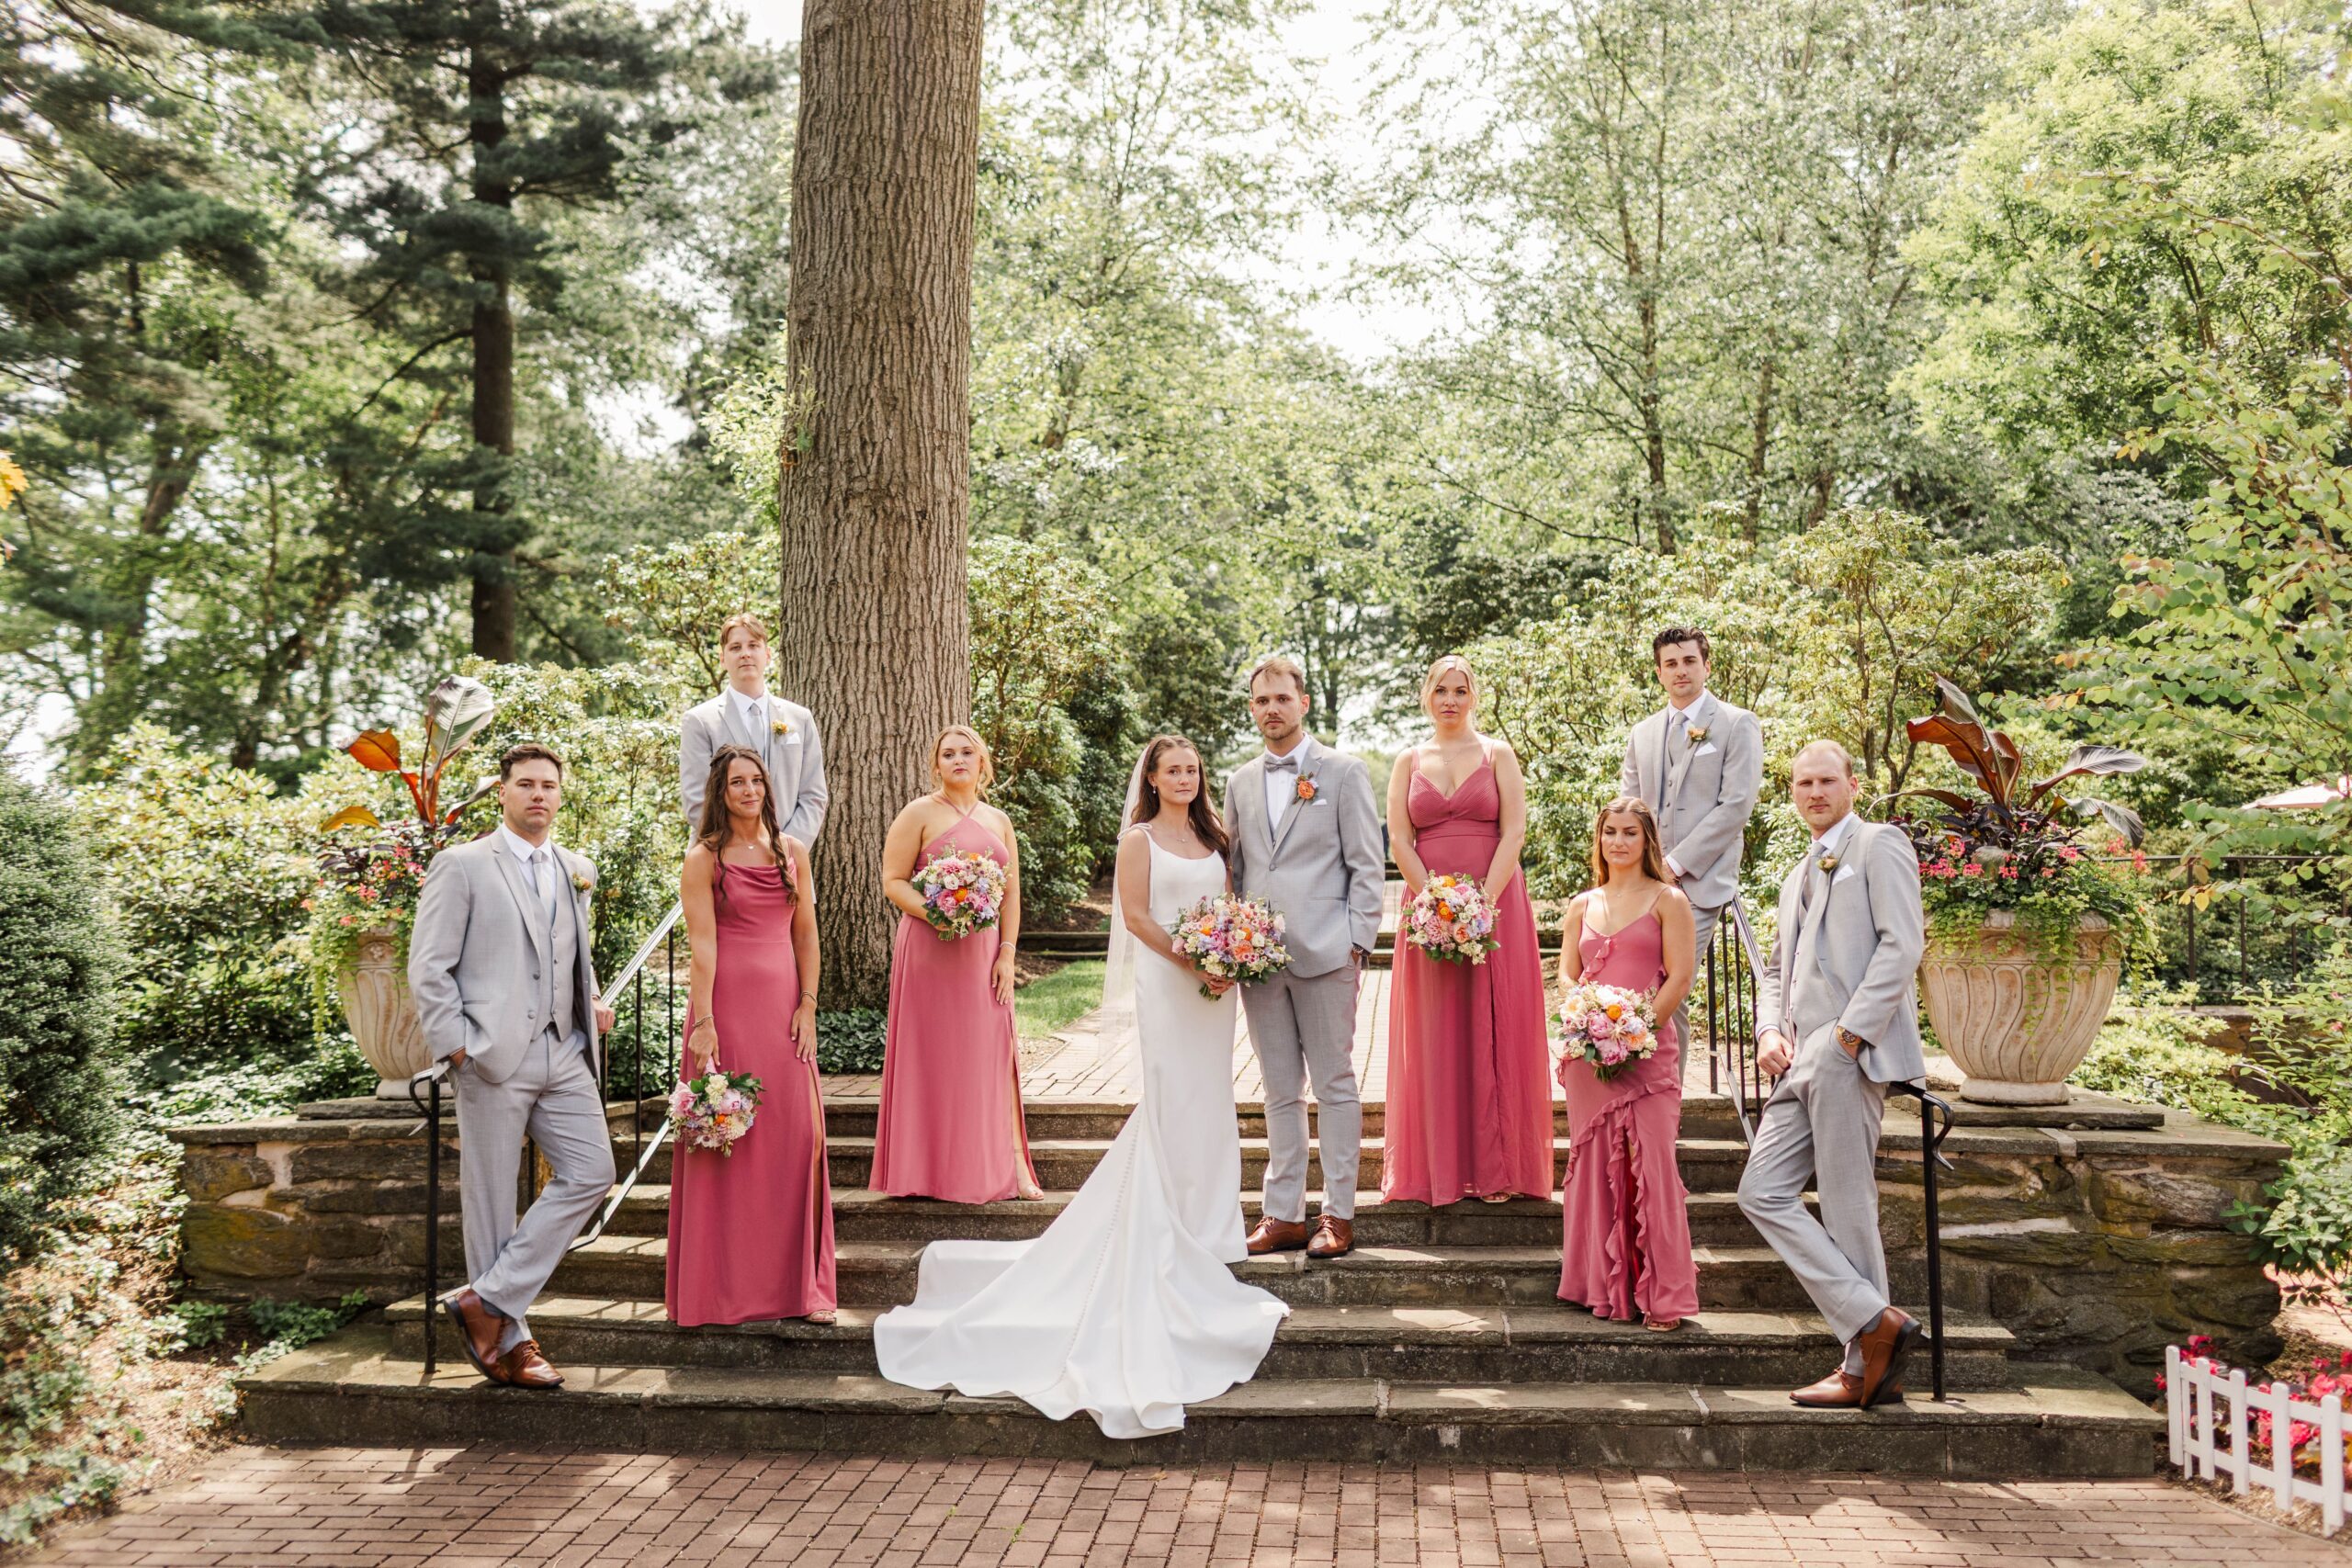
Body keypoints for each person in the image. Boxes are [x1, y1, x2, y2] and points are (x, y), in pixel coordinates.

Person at [874, 736, 1289, 1438]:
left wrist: (1229, 953)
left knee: (1211, 1101)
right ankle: (1165, 1223)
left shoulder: (1214, 835)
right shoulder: (1137, 839)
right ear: (1152, 778)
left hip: (1210, 990)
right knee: (1170, 1096)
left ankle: (1211, 1224)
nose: (1184, 777)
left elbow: (1224, 907)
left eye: (1192, 769)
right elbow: (1134, 917)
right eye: (1173, 769)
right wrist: (1193, 956)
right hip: (1168, 982)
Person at [408, 743, 616, 1390]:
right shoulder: (463, 864)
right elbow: (429, 965)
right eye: (525, 783)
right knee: (494, 1203)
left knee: (593, 1170)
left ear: (560, 794)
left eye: (549, 785)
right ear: (502, 791)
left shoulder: (576, 867)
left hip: (565, 1049)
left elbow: (564, 954)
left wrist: (591, 998)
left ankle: (488, 1297)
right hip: (492, 1054)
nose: (538, 794)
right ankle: (512, 1341)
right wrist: (459, 1045)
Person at [1738, 739, 1928, 1410]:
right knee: (1760, 1191)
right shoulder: (1794, 875)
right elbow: (1773, 972)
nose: (1813, 792)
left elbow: (1903, 944)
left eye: (1825, 780)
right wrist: (1766, 1030)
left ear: (1852, 783)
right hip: (1797, 1059)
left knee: (1849, 1207)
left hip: (1848, 1052)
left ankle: (1864, 1366)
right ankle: (1875, 1322)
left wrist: (1850, 1034)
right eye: (1801, 783)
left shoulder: (1880, 844)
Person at [665, 745, 836, 1326]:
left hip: (785, 1010)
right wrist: (705, 1021)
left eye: (756, 779)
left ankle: (800, 1289)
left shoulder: (794, 853)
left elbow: (807, 935)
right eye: (737, 782)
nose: (749, 790)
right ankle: (721, 1290)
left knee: (797, 1136)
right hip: (728, 1011)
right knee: (729, 1143)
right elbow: (703, 946)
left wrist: (809, 1005)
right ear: (721, 791)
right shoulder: (703, 859)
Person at [1223, 656, 1385, 1260]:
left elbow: (1367, 863)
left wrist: (1357, 940)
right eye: (1261, 699)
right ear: (1252, 708)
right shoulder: (1239, 780)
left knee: (1336, 1084)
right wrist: (1234, 940)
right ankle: (1283, 1212)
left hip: (1326, 951)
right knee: (1279, 1089)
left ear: (1304, 702)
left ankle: (1338, 1213)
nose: (1272, 708)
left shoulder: (1341, 772)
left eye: (1282, 698)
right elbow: (1237, 867)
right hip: (1259, 960)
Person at [1381, 655, 1555, 1206]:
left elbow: (1515, 829)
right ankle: (1439, 1167)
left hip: (1495, 905)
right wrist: (1435, 901)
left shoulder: (1497, 754)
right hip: (1429, 910)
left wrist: (1480, 903)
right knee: (1436, 1031)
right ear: (1426, 697)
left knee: (1497, 1026)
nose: (1450, 700)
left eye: (1460, 690)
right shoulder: (1408, 760)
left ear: (1473, 696)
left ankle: (1498, 1167)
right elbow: (1399, 840)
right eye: (1441, 690)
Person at [869, 725, 1043, 1202]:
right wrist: (942, 911)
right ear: (937, 765)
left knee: (992, 1056)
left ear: (983, 763)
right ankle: (925, 1170)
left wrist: (1007, 953)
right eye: (948, 754)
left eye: (968, 752)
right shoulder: (918, 813)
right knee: (932, 1057)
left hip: (984, 956)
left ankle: (1012, 1166)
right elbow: (893, 881)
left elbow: (1010, 896)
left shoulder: (999, 820)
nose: (958, 760)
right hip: (930, 951)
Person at [1555, 797, 1701, 1329]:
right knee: (1593, 1169)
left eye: (1629, 833)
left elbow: (1679, 977)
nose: (1618, 842)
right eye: (1610, 832)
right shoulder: (1581, 903)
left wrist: (1635, 1034)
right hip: (1588, 1056)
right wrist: (1591, 1020)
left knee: (1654, 1166)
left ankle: (1662, 1295)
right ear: (1600, 840)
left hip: (1648, 1054)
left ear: (1647, 842)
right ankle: (1598, 1285)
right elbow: (1568, 977)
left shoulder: (1670, 900)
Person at [1618, 626, 1762, 957]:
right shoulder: (1642, 733)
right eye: (1670, 664)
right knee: (1639, 981)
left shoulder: (1737, 723)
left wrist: (1674, 865)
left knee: (1671, 984)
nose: (1680, 670)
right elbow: (1630, 808)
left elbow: (1736, 806)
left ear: (1706, 667)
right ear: (1659, 674)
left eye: (1689, 661)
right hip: (1644, 883)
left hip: (1702, 885)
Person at [679, 613, 828, 841]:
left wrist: (784, 849)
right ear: (722, 658)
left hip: (786, 860)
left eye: (753, 645)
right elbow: (697, 802)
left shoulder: (800, 719)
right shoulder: (699, 721)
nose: (745, 653)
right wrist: (745, 851)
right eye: (736, 647)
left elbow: (814, 796)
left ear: (767, 655)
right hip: (721, 858)